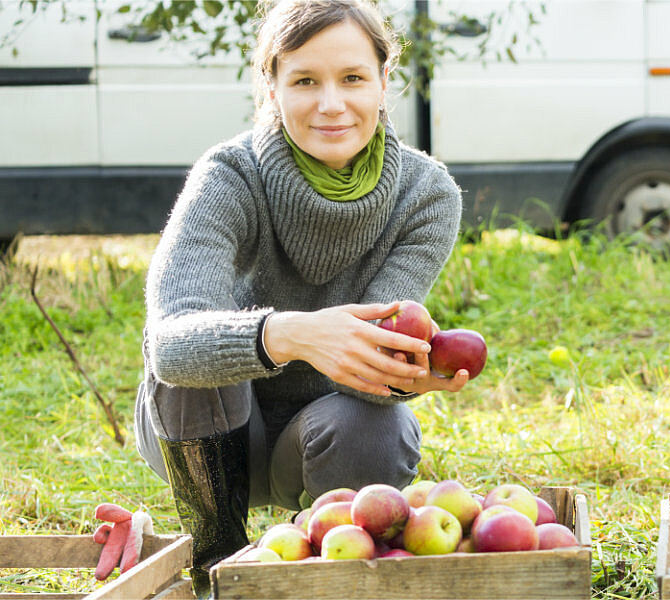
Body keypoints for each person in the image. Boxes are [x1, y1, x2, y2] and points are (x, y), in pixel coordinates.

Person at [133, 0, 471, 591]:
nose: (331, 104)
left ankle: (329, 569)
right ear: (272, 87)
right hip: (209, 429)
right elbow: (169, 347)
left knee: (380, 424)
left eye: (353, 78)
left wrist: (402, 374)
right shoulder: (229, 177)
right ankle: (217, 565)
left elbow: (373, 359)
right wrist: (289, 334)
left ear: (384, 80)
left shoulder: (425, 195)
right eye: (306, 81)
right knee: (194, 359)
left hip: (325, 429)